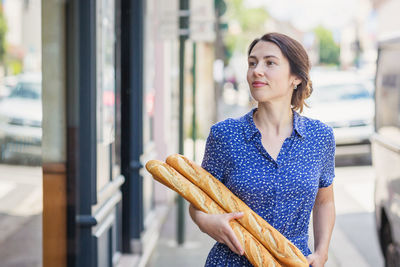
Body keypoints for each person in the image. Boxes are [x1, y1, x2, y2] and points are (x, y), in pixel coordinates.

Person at [189, 32, 336, 267]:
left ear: (296, 77)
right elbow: (198, 202)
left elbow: (324, 202)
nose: (257, 70)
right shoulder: (225, 135)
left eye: (270, 63)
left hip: (294, 260)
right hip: (232, 260)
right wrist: (207, 223)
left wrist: (322, 252)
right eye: (252, 63)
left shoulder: (319, 137)